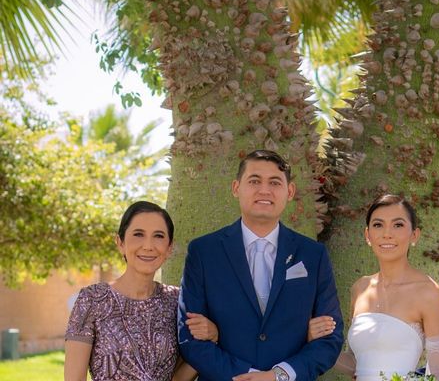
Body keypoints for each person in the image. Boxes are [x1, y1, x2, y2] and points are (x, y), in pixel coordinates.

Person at [177, 149, 344, 381]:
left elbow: (330, 337)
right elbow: (189, 338)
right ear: (236, 188)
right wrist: (246, 376)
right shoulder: (203, 252)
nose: (264, 190)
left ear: (290, 191)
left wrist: (279, 376)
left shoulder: (313, 254)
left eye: (275, 182)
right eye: (254, 181)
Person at [64, 201, 217, 381]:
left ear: (169, 248)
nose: (148, 246)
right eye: (138, 234)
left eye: (158, 236)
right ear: (120, 242)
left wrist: (212, 337)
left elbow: (178, 377)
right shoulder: (92, 299)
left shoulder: (177, 301)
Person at [312, 193, 439, 380]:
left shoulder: (428, 292)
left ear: (414, 235)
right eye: (378, 225)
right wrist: (316, 341)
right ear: (367, 235)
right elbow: (357, 365)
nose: (387, 234)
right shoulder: (360, 289)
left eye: (398, 225)